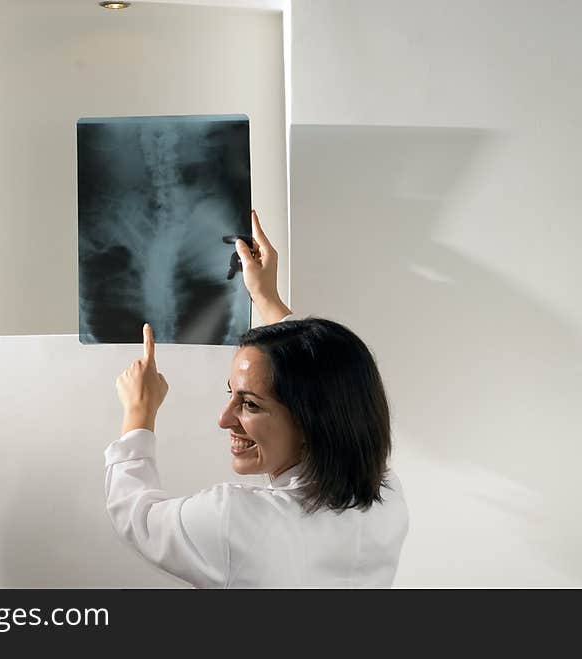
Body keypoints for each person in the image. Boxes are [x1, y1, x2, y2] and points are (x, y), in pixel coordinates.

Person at [106, 210, 409, 587]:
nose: (224, 418)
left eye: (249, 404)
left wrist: (139, 413)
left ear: (312, 420)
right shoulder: (386, 495)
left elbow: (138, 518)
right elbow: (322, 374)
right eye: (231, 394)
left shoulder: (236, 519)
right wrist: (267, 299)